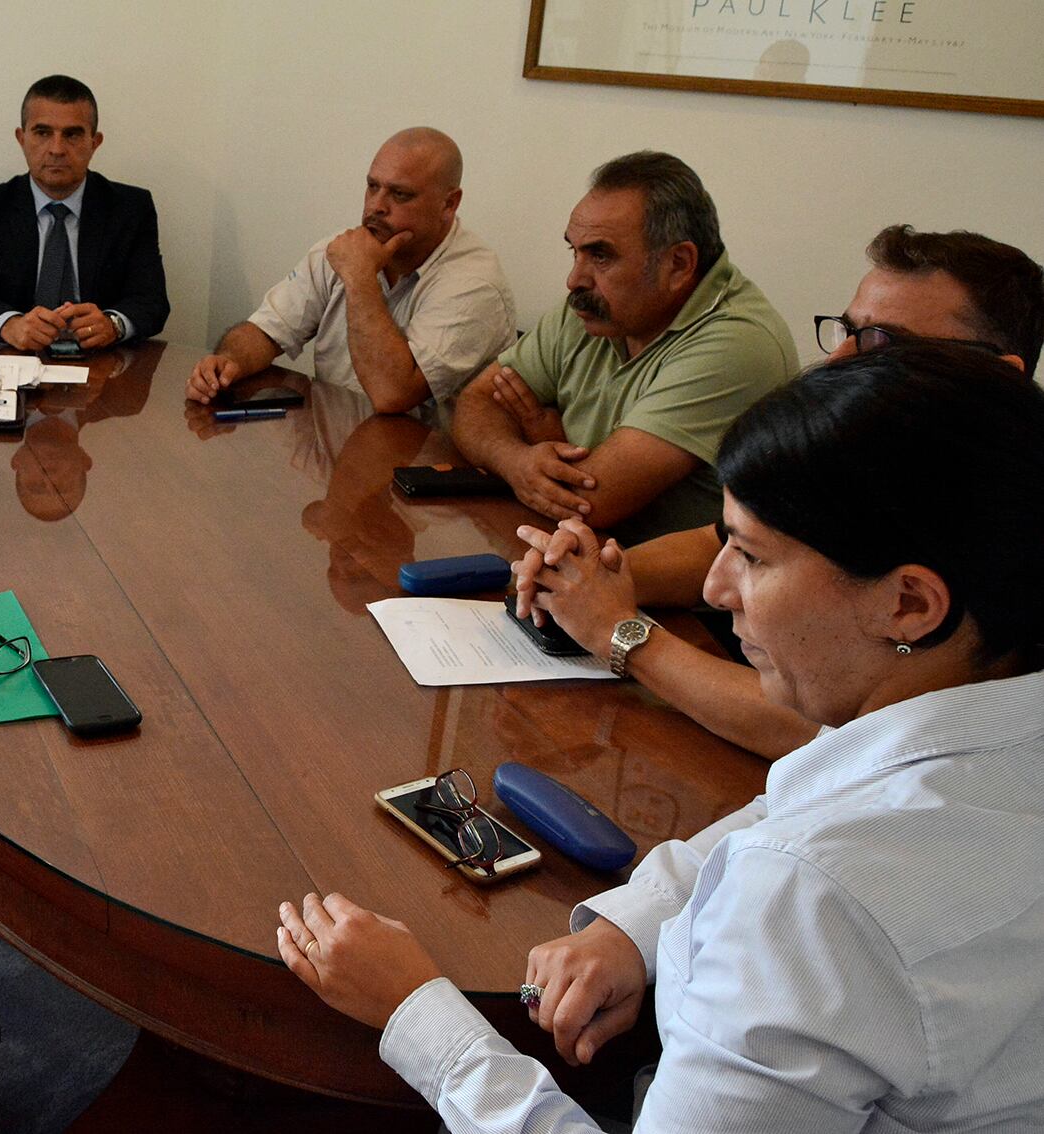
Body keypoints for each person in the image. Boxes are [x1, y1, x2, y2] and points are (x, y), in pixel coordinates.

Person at [278, 340, 1044, 1131]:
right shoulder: (972, 723)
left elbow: (806, 869)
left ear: (909, 605)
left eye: (749, 555)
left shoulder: (817, 901)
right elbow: (790, 810)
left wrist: (419, 1017)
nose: (716, 588)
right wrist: (636, 922)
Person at [514, 225, 1044, 758]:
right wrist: (591, 575)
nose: (839, 362)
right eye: (847, 331)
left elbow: (844, 734)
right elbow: (717, 541)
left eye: (883, 345)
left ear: (997, 377)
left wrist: (619, 633)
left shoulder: (1005, 509)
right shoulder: (880, 456)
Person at [451, 151, 797, 544]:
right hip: (579, 556)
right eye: (575, 251)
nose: (574, 279)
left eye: (600, 255)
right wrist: (517, 460)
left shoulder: (739, 341)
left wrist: (541, 444)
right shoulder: (595, 308)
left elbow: (590, 499)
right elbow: (476, 402)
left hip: (690, 599)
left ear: (679, 264)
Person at [187, 127, 516, 414]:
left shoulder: (475, 284)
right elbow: (266, 331)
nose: (377, 206)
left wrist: (360, 277)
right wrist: (228, 364)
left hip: (424, 468)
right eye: (373, 187)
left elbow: (393, 394)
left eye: (399, 194)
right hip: (339, 444)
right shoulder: (342, 250)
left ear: (449, 203)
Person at [0, 74, 169, 351]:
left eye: (72, 134)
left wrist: (113, 325)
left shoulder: (130, 208)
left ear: (95, 142)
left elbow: (152, 301)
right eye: (42, 133)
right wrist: (10, 324)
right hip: (10, 364)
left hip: (101, 367)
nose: (56, 149)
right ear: (21, 138)